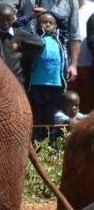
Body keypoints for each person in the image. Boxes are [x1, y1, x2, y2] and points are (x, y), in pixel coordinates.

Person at [22, 0, 81, 82]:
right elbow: (27, 32)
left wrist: (74, 65)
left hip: (62, 62)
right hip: (37, 60)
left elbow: (75, 35)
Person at [27, 12, 68, 146]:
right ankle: (36, 144)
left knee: (50, 116)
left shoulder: (59, 39)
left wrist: (48, 11)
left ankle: (51, 145)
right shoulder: (34, 37)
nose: (48, 24)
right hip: (37, 84)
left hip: (55, 85)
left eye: (50, 22)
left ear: (55, 26)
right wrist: (33, 15)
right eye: (44, 21)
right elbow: (18, 24)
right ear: (38, 24)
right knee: (36, 116)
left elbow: (64, 22)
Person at [0, 2, 41, 90]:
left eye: (8, 19)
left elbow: (40, 43)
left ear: (14, 18)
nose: (5, 23)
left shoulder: (20, 34)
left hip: (17, 80)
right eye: (2, 19)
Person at [69, 0, 93, 112]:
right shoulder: (62, 6)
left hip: (89, 66)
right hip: (68, 67)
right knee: (67, 108)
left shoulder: (93, 7)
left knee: (87, 108)